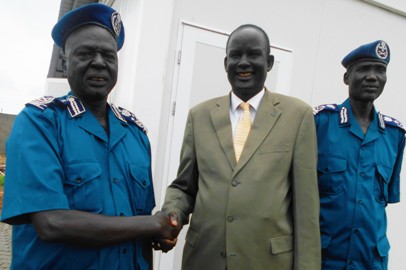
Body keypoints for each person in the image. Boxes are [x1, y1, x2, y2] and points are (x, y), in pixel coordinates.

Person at [0, 3, 178, 270]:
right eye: (86, 53)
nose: (98, 62)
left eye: (108, 55)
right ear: (64, 61)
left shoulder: (135, 134)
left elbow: (137, 226)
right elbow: (51, 223)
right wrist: (153, 224)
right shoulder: (40, 122)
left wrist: (156, 232)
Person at [155, 24, 321, 270]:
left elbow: (306, 207)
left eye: (253, 55)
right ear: (225, 63)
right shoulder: (199, 116)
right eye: (236, 55)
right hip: (204, 258)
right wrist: (171, 214)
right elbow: (184, 187)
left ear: (269, 62)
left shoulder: (297, 116)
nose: (243, 62)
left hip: (268, 262)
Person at [314, 40, 406, 269]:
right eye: (363, 69)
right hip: (325, 259)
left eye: (380, 70)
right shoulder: (320, 123)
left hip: (371, 260)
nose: (373, 77)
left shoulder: (395, 135)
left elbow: (384, 201)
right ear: (346, 78)